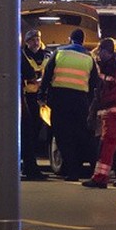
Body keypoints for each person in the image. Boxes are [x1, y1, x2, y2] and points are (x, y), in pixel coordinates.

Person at [40, 27, 95, 180]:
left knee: (63, 137)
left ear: (70, 39)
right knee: (82, 135)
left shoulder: (60, 53)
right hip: (80, 101)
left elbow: (47, 75)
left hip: (60, 100)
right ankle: (94, 168)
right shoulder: (88, 57)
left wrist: (42, 94)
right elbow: (94, 83)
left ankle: (72, 172)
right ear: (82, 41)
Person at [82, 36, 116, 188]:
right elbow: (101, 91)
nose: (98, 54)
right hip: (110, 111)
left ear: (105, 51)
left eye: (100, 51)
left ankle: (100, 177)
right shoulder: (108, 66)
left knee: (107, 145)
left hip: (115, 113)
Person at [20, 28, 48, 180]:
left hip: (43, 98)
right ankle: (29, 166)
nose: (36, 42)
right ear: (27, 42)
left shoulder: (47, 55)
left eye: (38, 39)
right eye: (33, 40)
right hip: (27, 97)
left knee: (36, 132)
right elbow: (27, 74)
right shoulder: (22, 55)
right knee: (28, 132)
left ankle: (29, 164)